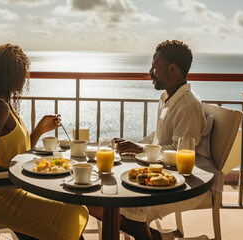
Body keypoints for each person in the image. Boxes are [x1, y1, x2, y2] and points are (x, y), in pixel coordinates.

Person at [87, 40, 207, 240]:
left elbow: (180, 153)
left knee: (130, 204)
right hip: (161, 172)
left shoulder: (188, 105)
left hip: (182, 183)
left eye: (154, 66)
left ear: (172, 68)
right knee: (96, 197)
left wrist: (141, 151)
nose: (150, 72)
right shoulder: (167, 98)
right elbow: (158, 136)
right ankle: (159, 238)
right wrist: (135, 147)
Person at [0, 44, 89, 240]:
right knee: (70, 212)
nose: (25, 77)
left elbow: (16, 153)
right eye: (22, 72)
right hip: (1, 196)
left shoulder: (0, 105)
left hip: (9, 189)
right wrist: (22, 176)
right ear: (11, 75)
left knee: (72, 206)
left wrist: (39, 130)